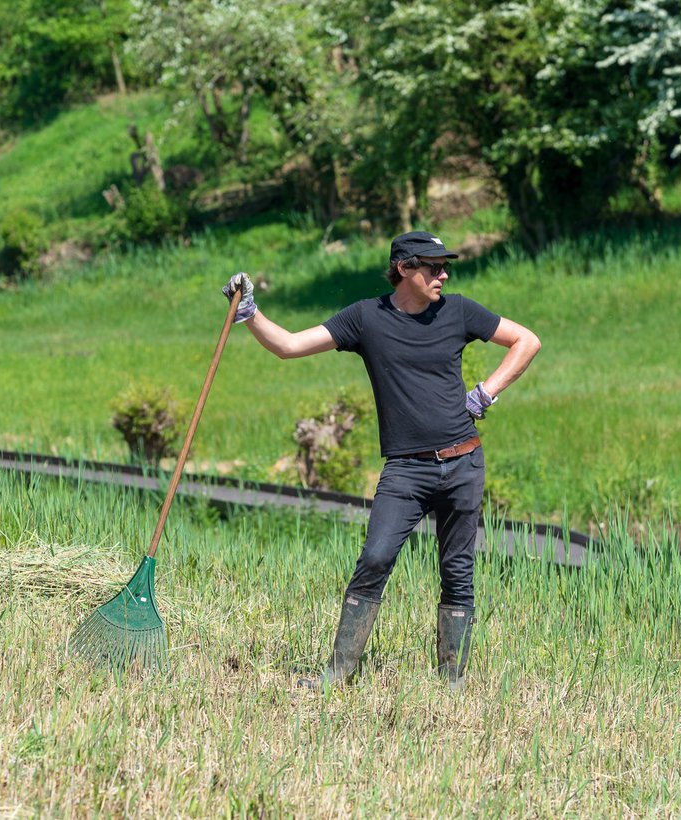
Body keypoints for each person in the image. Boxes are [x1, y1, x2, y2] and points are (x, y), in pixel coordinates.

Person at [222, 231, 541, 691]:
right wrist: (249, 313)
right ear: (405, 268)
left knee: (458, 573)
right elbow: (288, 346)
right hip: (406, 471)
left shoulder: (459, 311)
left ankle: (451, 682)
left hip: (463, 463)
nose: (443, 274)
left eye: (444, 267)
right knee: (374, 558)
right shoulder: (366, 318)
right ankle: (338, 673)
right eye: (434, 267)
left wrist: (485, 393)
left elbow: (526, 341)